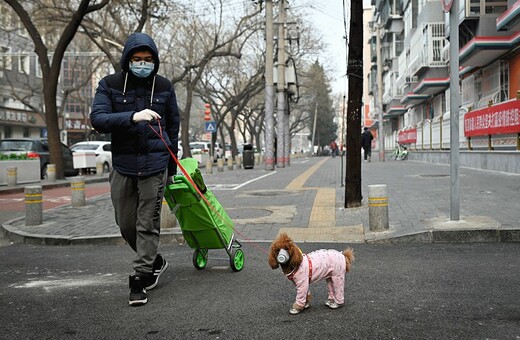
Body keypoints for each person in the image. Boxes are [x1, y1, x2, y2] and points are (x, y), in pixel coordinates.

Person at [90, 32, 180, 306]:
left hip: (155, 166)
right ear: (128, 59)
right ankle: (155, 260)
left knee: (147, 223)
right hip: (123, 165)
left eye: (148, 59)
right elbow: (98, 119)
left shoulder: (164, 87)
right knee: (125, 223)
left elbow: (173, 127)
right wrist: (132, 116)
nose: (143, 63)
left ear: (155, 61)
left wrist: (172, 164)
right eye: (137, 59)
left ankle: (140, 277)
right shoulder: (110, 85)